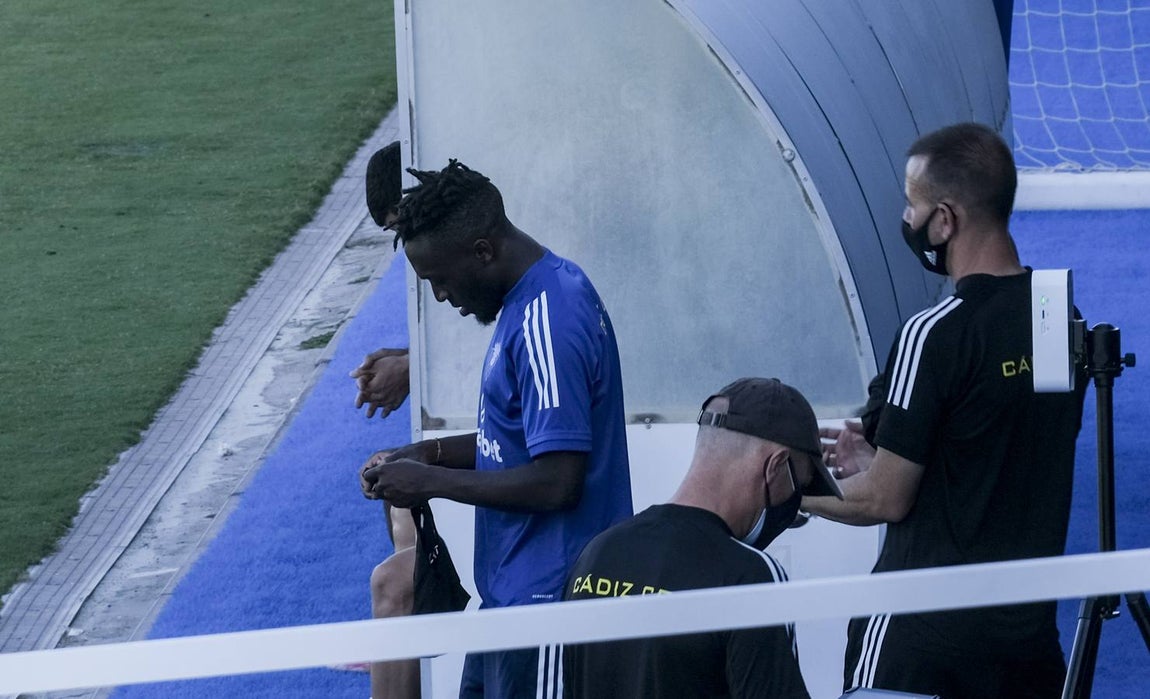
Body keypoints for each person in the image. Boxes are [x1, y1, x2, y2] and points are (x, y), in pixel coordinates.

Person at [803, 122, 1086, 699]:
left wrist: (788, 489)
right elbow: (999, 448)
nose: (907, 221)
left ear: (945, 220)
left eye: (912, 206)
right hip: (1025, 648)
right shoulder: (1062, 324)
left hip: (918, 640)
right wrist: (893, 450)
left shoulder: (932, 334)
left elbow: (885, 498)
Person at [360, 158, 634, 699]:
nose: (440, 296)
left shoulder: (549, 319)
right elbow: (514, 441)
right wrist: (426, 454)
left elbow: (558, 482)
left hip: (550, 612)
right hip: (513, 607)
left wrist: (429, 484)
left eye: (440, 279)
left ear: (482, 251)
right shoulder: (530, 300)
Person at [562, 377, 843, 699]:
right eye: (800, 486)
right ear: (775, 465)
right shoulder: (750, 577)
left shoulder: (598, 553)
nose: (796, 504)